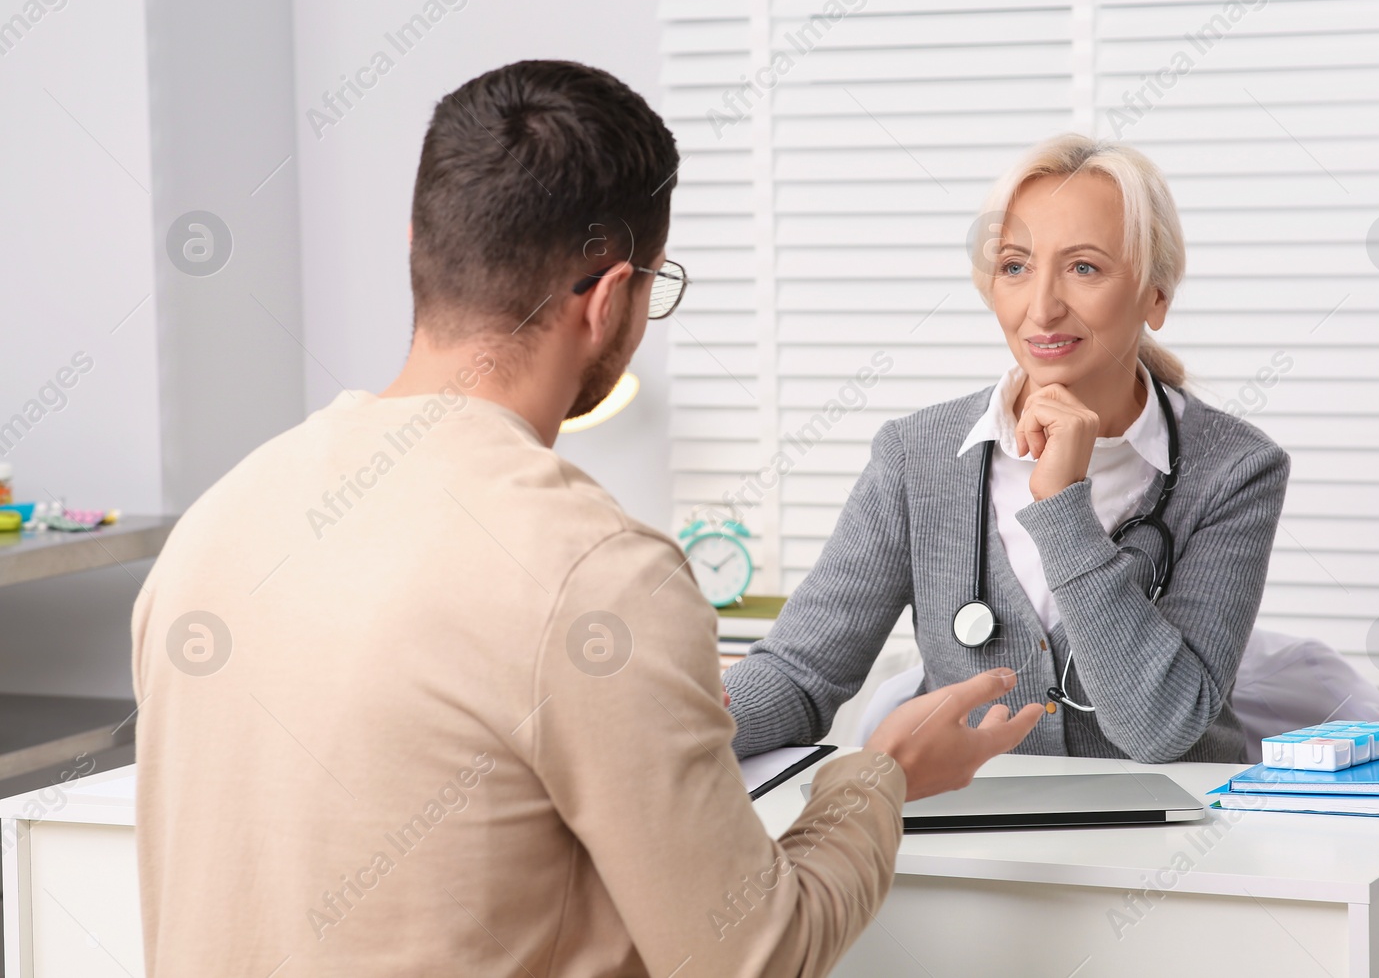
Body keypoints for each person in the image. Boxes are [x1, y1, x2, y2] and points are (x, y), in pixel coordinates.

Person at [131, 59, 1044, 978]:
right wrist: (880, 776)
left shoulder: (216, 524)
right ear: (609, 300)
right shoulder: (596, 574)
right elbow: (757, 954)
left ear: (419, 244)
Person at [726, 134, 1290, 765]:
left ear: (1155, 295)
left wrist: (1064, 510)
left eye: (1084, 268)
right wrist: (666, 732)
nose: (1042, 309)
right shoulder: (917, 456)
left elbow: (1160, 731)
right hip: (974, 841)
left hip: (1174, 838)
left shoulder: (1234, 470)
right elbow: (802, 673)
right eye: (1015, 266)